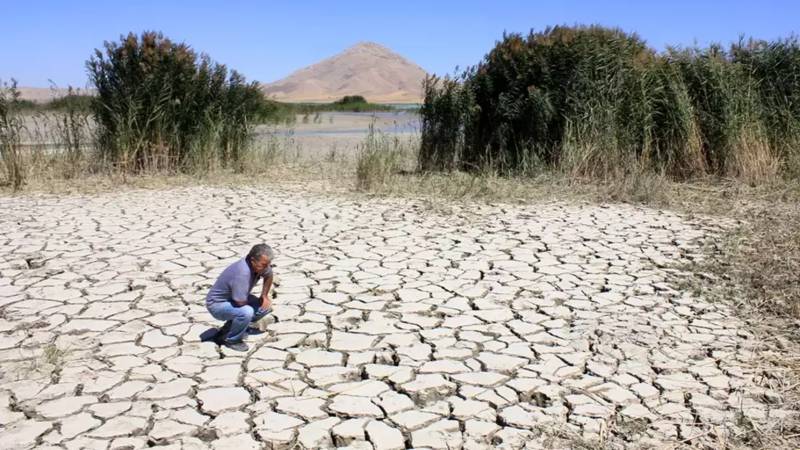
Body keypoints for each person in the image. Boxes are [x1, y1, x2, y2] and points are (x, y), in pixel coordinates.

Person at [206, 244, 274, 351]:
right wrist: (248, 315)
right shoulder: (242, 273)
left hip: (234, 298)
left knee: (265, 307)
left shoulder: (261, 266)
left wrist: (264, 296)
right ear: (253, 260)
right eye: (264, 265)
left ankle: (231, 326)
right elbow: (240, 302)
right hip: (217, 305)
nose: (266, 267)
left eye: (268, 264)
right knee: (247, 312)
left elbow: (269, 275)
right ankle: (232, 340)